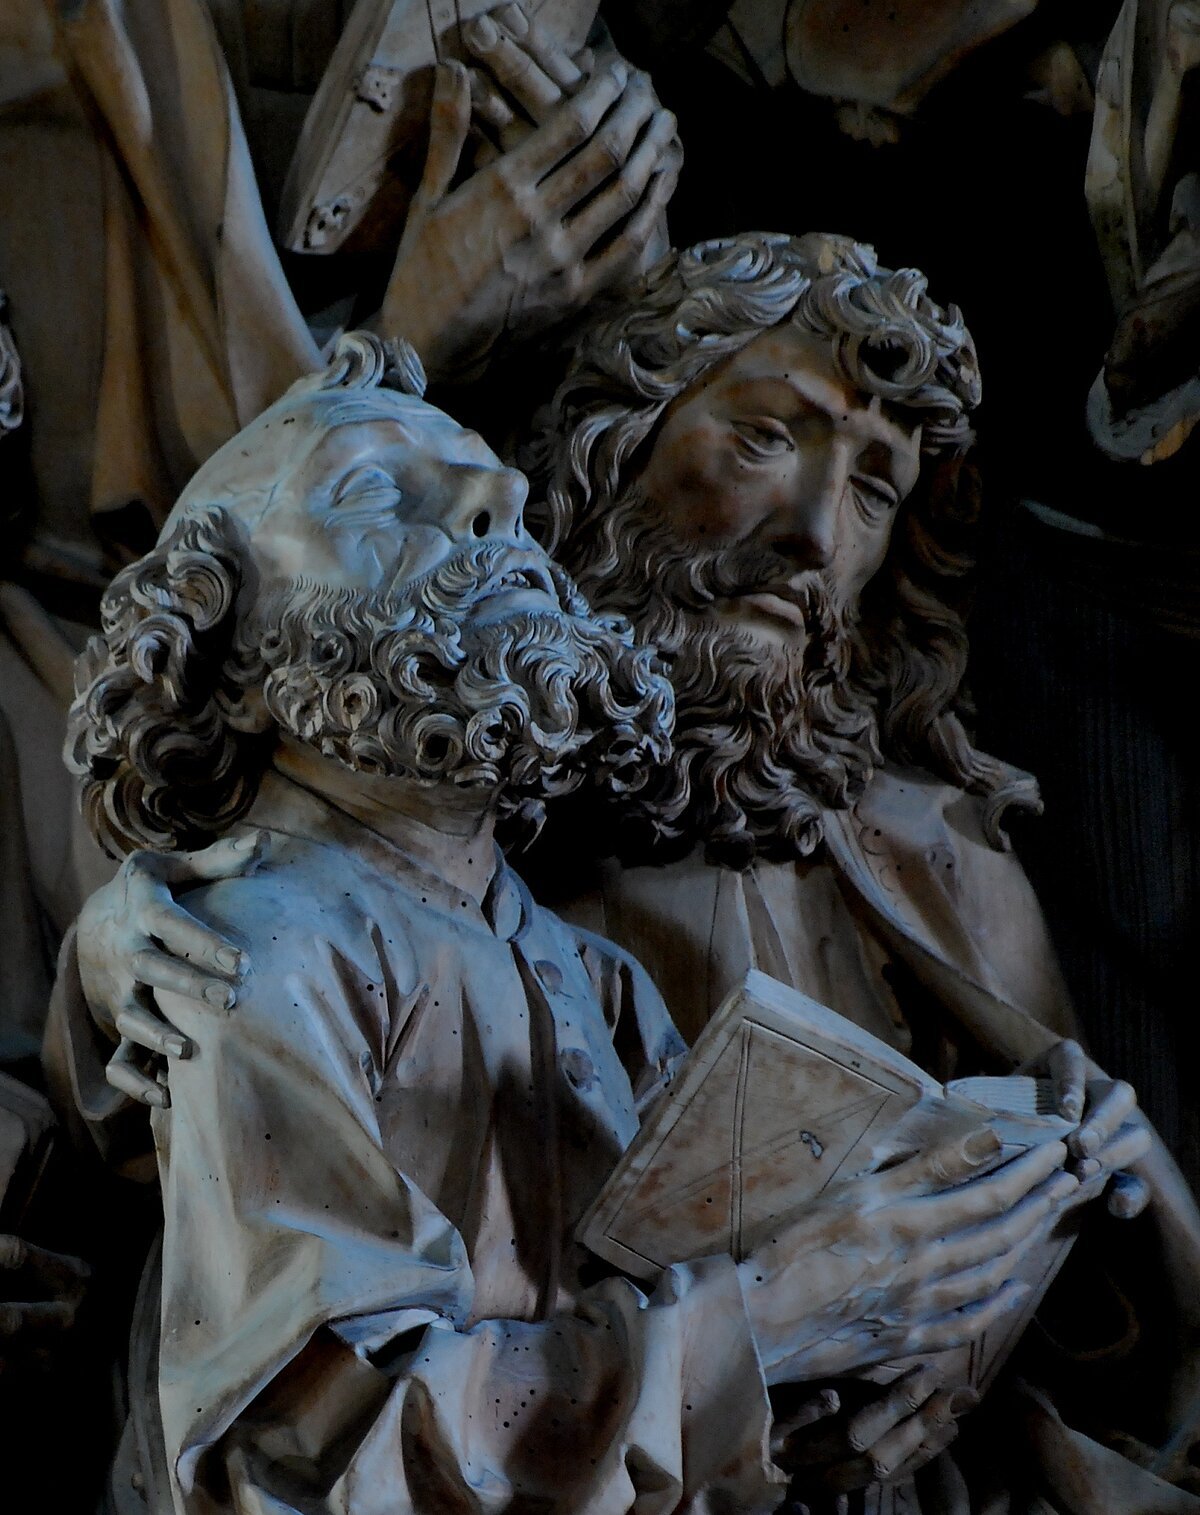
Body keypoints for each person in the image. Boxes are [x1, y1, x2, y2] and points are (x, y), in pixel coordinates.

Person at [76, 236, 1200, 1513]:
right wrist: (114, 942)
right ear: (615, 448)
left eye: (879, 491)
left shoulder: (590, 970)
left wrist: (973, 1245)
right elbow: (309, 1442)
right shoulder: (282, 944)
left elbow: (742, 1273)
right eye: (766, 434)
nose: (818, 536)